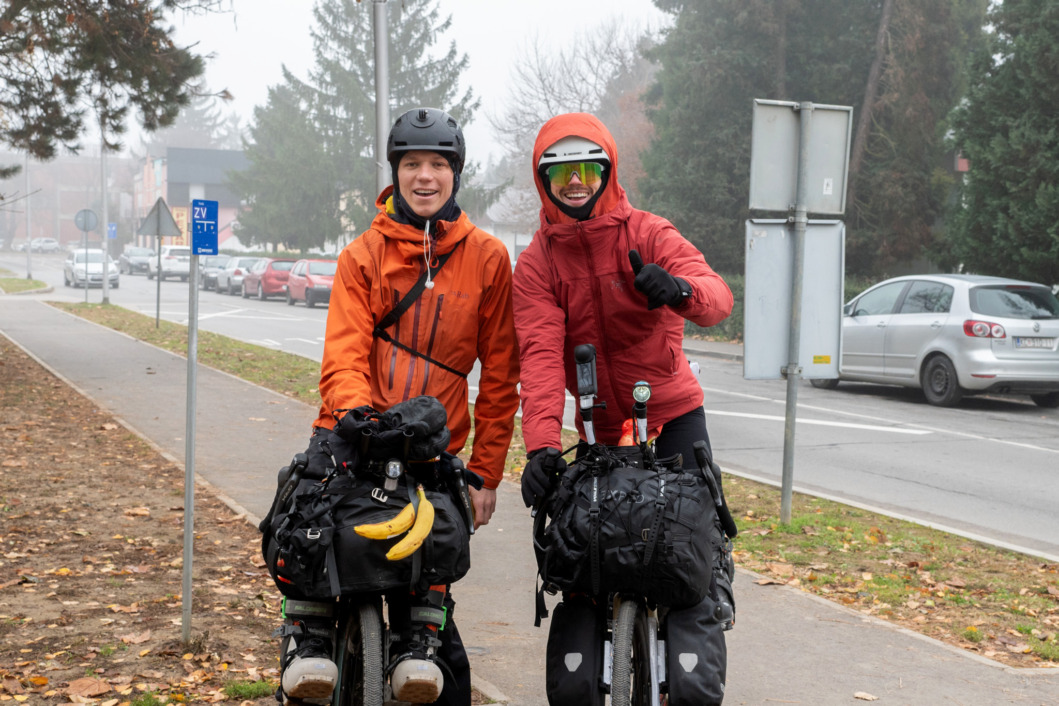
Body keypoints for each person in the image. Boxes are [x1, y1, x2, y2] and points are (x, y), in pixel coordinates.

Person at [275, 107, 520, 706]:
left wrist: (486, 473)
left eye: (438, 164)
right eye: (412, 164)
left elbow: (500, 375)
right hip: (354, 431)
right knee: (304, 524)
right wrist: (359, 418)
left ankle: (419, 649)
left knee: (434, 555)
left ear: (455, 173)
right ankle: (309, 645)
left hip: (435, 447)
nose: (425, 176)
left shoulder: (488, 258)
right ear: (395, 173)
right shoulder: (363, 255)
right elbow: (344, 352)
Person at [511, 112, 735, 703]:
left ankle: (709, 596)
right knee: (589, 556)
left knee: (693, 548)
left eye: (588, 170)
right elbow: (539, 358)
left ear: (608, 172)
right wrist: (540, 446)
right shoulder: (537, 264)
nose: (575, 183)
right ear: (543, 181)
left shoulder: (649, 233)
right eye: (561, 173)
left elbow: (717, 299)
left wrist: (678, 290)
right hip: (598, 429)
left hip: (671, 415)